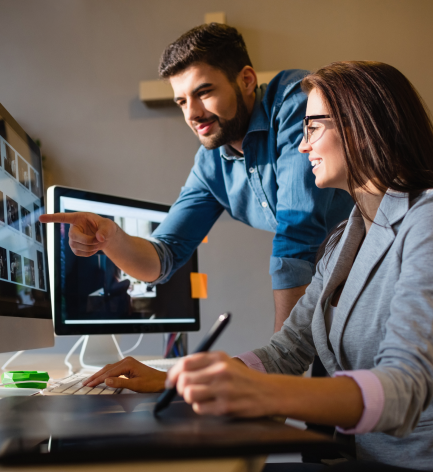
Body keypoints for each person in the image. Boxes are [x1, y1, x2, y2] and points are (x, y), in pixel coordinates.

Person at [83, 61, 433, 470]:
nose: (302, 147)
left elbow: (409, 388)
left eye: (312, 128)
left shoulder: (424, 222)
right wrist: (178, 380)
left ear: (360, 126)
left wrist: (264, 394)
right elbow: (288, 349)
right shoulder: (344, 241)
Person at [40, 23, 354, 331]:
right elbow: (163, 257)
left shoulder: (296, 100)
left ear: (246, 80)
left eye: (203, 93)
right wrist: (111, 238)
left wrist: (281, 362)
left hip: (382, 262)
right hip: (333, 289)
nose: (192, 113)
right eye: (182, 101)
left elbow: (297, 235)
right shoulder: (209, 165)